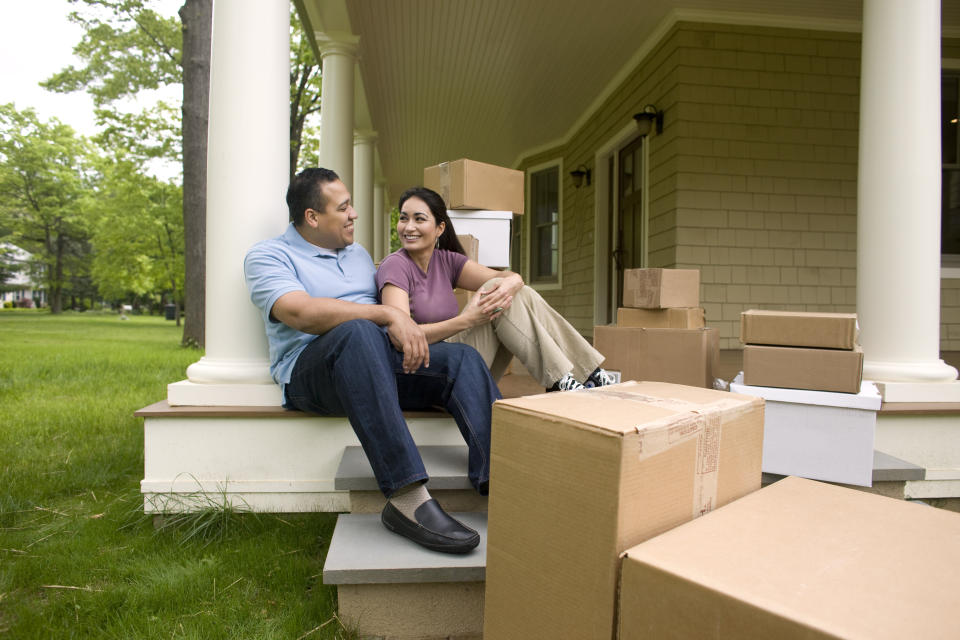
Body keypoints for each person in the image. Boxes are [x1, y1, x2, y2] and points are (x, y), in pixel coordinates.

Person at [244, 168, 501, 555]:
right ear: (313, 217)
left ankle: (499, 483)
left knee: (461, 358)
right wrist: (387, 316)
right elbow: (300, 312)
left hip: (378, 361)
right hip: (313, 373)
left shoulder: (358, 254)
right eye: (344, 207)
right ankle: (408, 499)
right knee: (359, 331)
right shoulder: (268, 255)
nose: (354, 214)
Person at [376, 186, 616, 392]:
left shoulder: (446, 261)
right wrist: (467, 320)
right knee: (497, 290)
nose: (408, 227)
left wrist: (514, 281)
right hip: (425, 370)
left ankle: (585, 374)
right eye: (404, 218)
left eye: (419, 219)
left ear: (439, 228)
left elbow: (507, 279)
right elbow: (401, 339)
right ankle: (568, 378)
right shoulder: (396, 266)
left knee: (512, 291)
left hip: (459, 362)